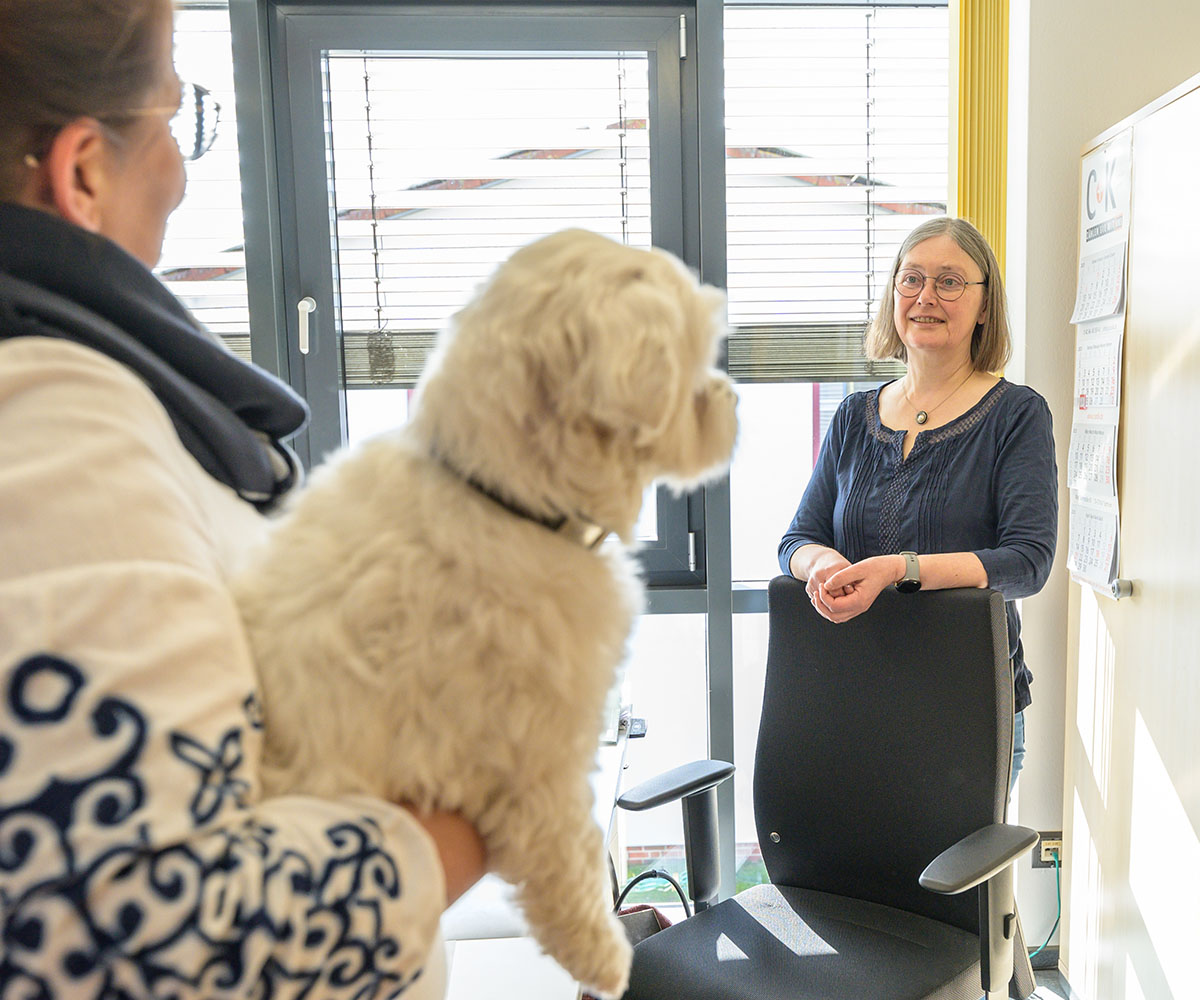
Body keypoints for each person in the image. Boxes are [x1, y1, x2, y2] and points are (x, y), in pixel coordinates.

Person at [0, 1, 484, 996]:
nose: (179, 167)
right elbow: (145, 937)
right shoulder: (50, 424)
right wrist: (485, 807)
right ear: (83, 169)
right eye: (177, 115)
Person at [778, 216, 1058, 788]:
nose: (926, 297)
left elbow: (1028, 563)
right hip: (850, 700)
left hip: (967, 711)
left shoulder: (1016, 415)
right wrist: (825, 564)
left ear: (984, 306)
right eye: (912, 279)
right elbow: (796, 541)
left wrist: (898, 571)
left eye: (950, 281)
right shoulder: (855, 415)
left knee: (954, 879)